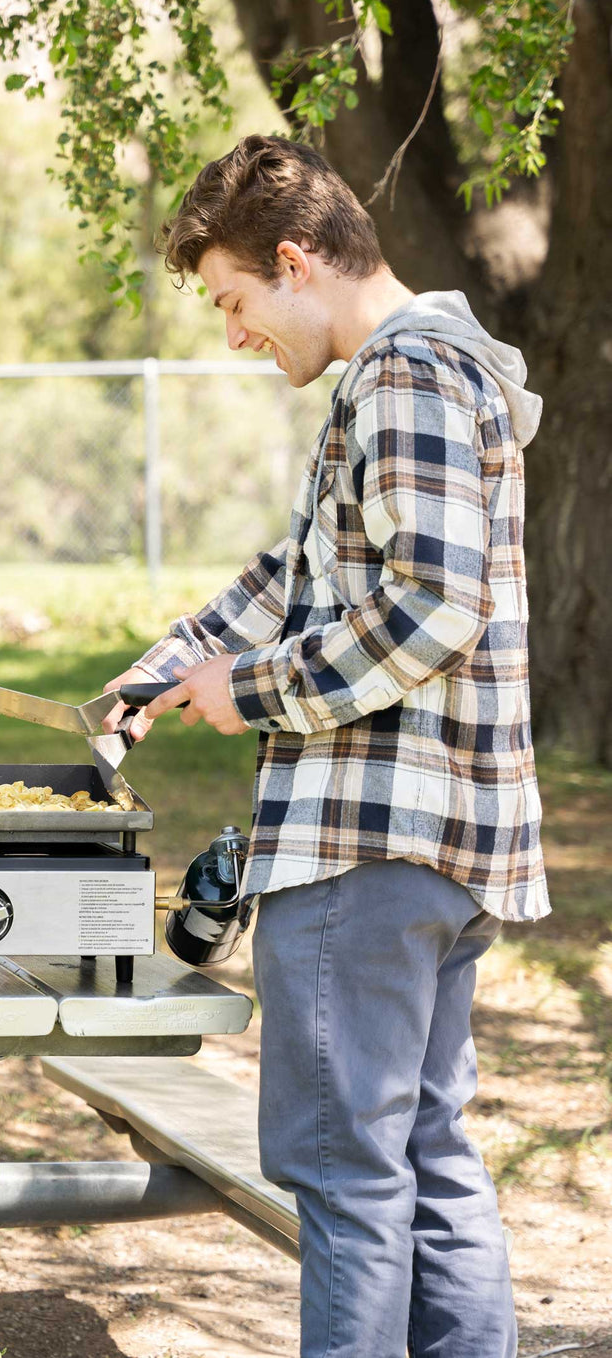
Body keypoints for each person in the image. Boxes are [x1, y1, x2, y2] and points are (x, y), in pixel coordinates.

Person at [105, 135, 547, 1358]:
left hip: (365, 847)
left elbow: (430, 605)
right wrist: (163, 666)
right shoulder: (414, 371)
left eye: (234, 301)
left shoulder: (400, 376)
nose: (233, 333)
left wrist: (242, 689)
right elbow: (296, 575)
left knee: (341, 1165)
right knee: (424, 1149)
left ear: (295, 261)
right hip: (438, 850)